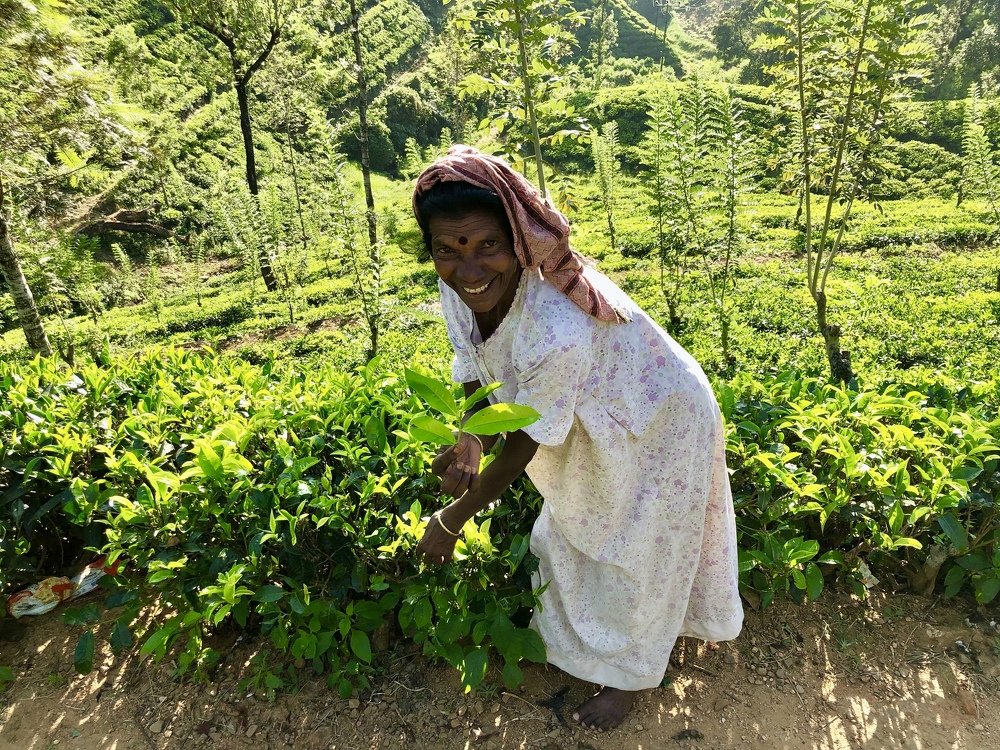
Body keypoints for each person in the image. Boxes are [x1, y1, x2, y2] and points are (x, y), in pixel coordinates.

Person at [412, 146, 743, 731]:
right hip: (591, 416)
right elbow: (470, 356)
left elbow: (523, 446)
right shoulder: (462, 289)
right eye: (449, 249)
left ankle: (632, 676)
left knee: (639, 549)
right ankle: (601, 648)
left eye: (487, 245)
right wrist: (469, 437)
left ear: (518, 241)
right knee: (574, 533)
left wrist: (453, 517)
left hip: (659, 417)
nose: (469, 268)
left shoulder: (554, 326)